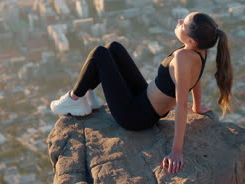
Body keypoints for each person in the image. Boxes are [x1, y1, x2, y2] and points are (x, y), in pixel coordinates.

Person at [50, 12, 233, 174]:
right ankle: (86, 96)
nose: (178, 21)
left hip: (135, 116)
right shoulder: (199, 50)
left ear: (191, 40)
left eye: (183, 23)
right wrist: (198, 105)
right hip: (144, 96)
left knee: (99, 54)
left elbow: (181, 104)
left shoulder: (183, 58)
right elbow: (196, 78)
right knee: (114, 47)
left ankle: (75, 98)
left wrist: (177, 151)